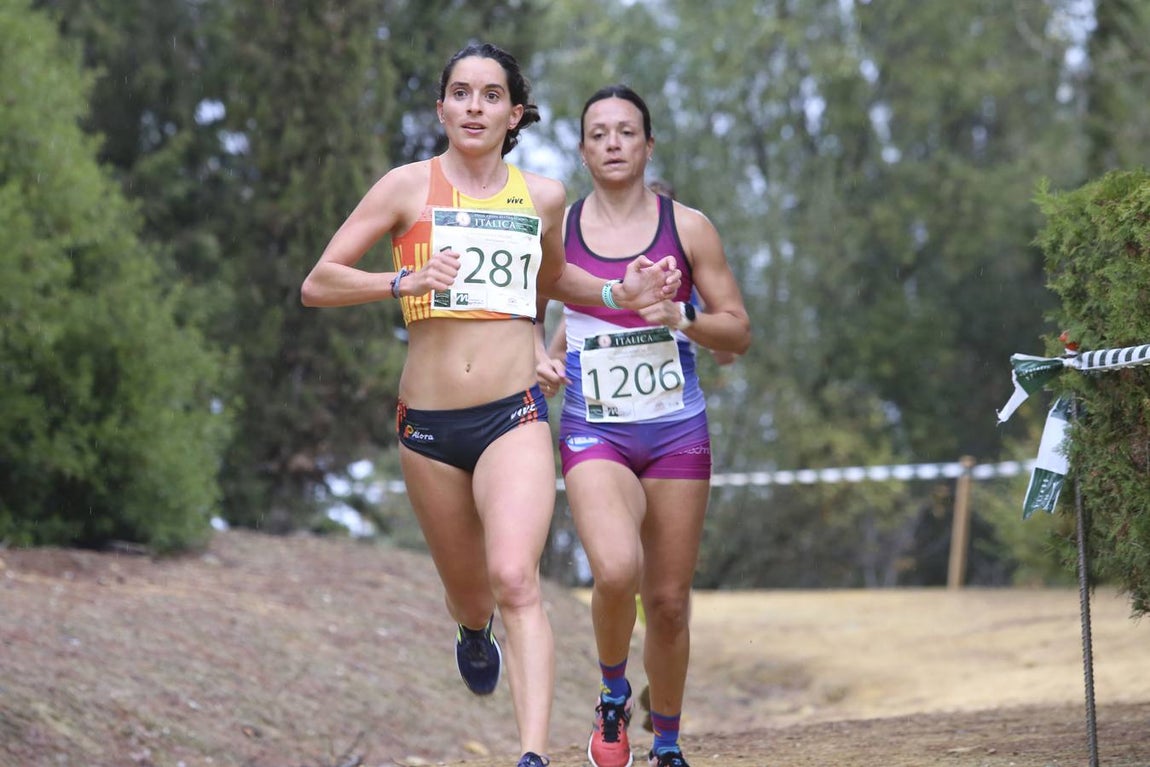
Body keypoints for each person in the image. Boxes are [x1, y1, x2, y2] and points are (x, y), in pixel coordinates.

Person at [300, 47, 681, 767]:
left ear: (514, 113)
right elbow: (319, 282)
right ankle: (471, 631)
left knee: (516, 578)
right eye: (460, 93)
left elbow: (558, 279)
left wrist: (615, 296)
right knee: (473, 597)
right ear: (442, 108)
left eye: (490, 95)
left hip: (514, 413)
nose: (474, 106)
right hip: (428, 426)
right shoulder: (405, 188)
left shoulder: (541, 195)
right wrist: (400, 280)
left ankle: (531, 755)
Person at [536, 85, 751, 767]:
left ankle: (666, 741)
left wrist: (681, 318)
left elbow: (736, 332)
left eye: (626, 132)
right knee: (615, 569)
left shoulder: (688, 228)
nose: (613, 144)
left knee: (667, 602)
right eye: (598, 133)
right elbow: (522, 309)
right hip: (596, 427)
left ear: (649, 144)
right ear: (581, 150)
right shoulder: (559, 229)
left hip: (675, 430)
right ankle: (610, 691)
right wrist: (539, 357)